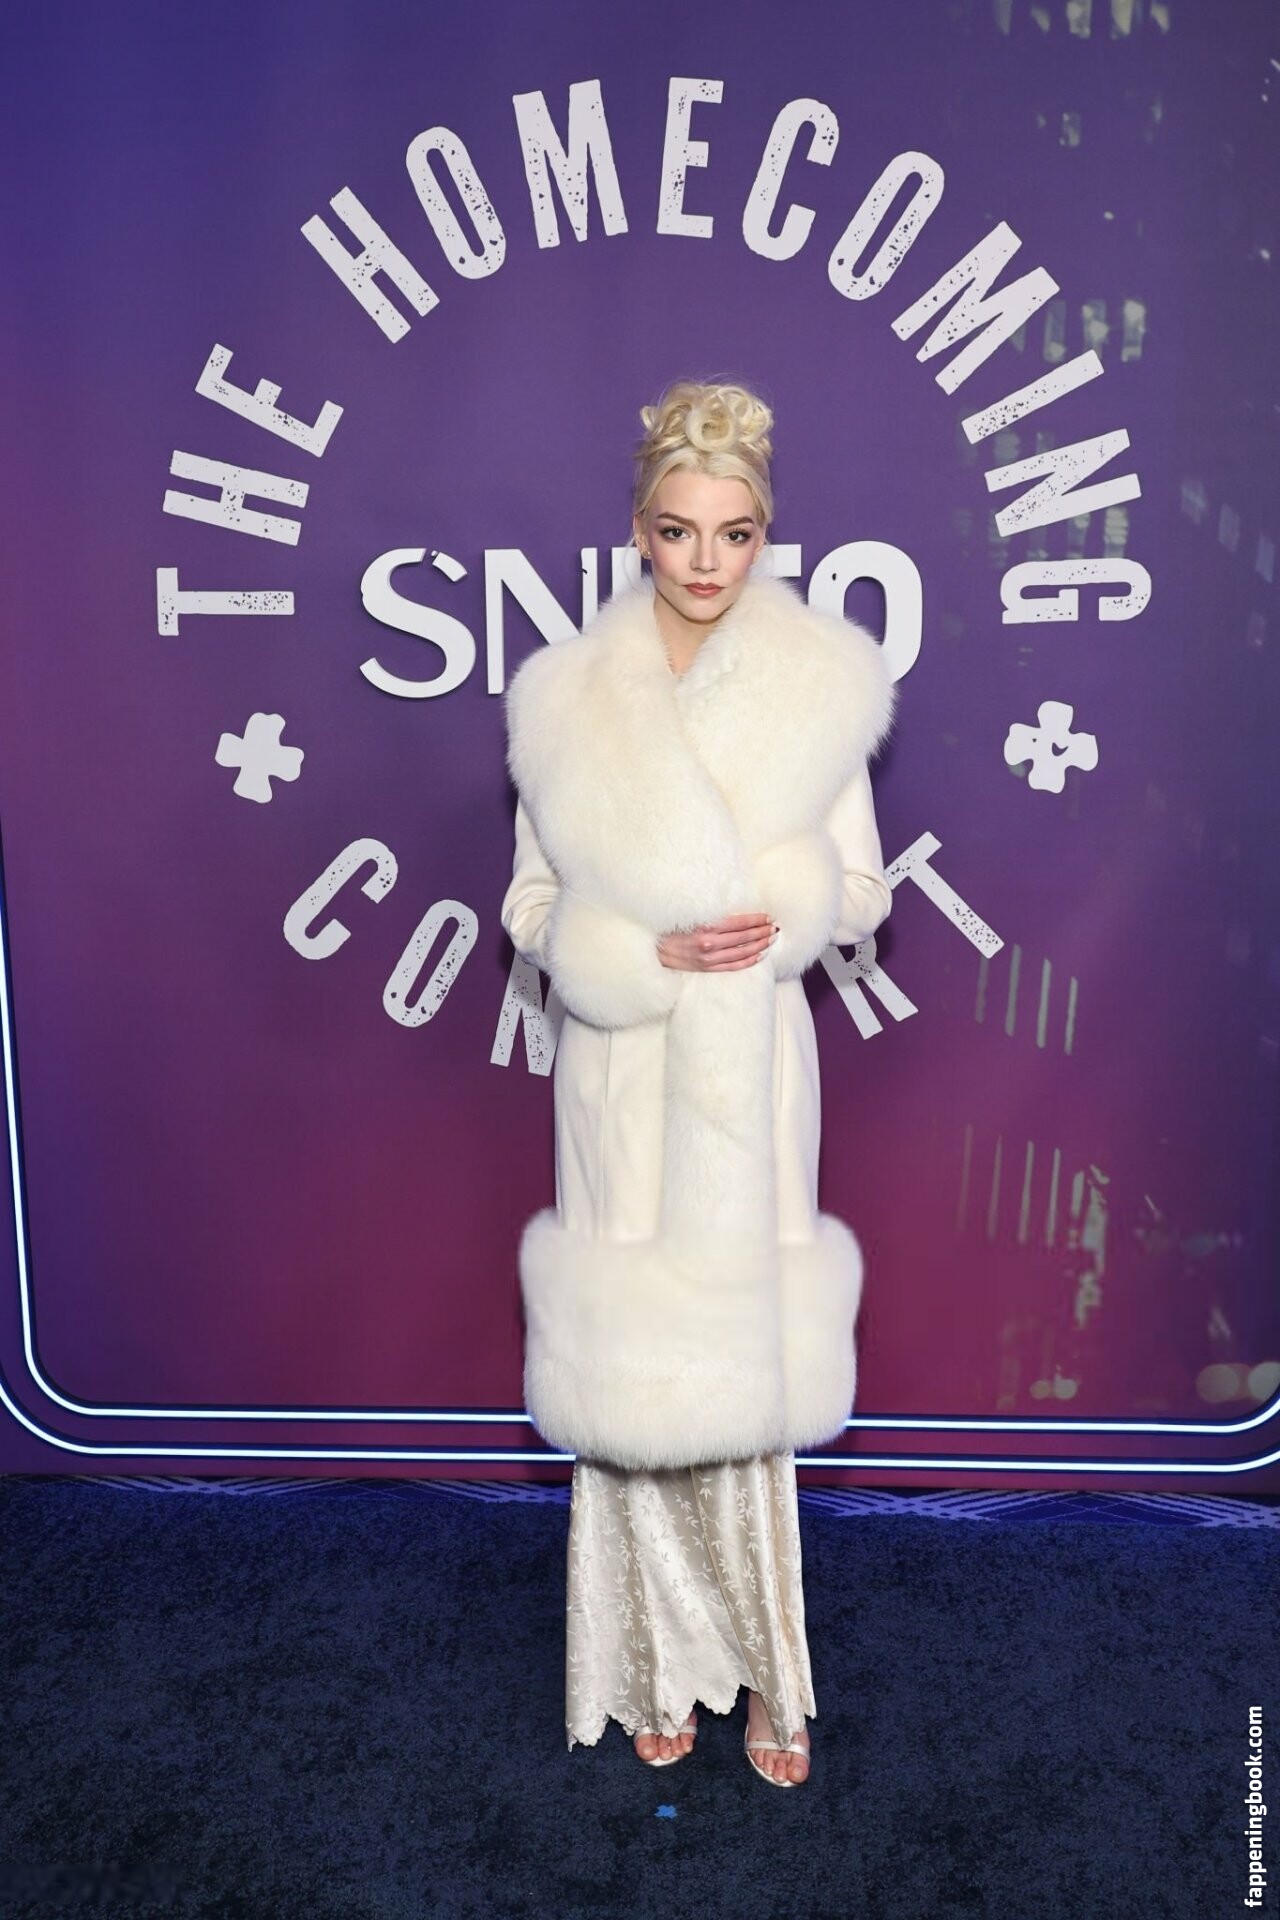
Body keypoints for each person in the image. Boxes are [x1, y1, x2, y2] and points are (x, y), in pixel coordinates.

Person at [500, 379, 896, 1787]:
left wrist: (769, 913)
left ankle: (770, 1673)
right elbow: (530, 909)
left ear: (764, 532)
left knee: (740, 1369)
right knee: (634, 1377)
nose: (706, 560)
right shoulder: (564, 700)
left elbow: (861, 889)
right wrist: (638, 948)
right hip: (621, 1069)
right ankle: (643, 1665)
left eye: (734, 533)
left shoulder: (819, 689)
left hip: (746, 1067)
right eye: (678, 531)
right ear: (639, 531)